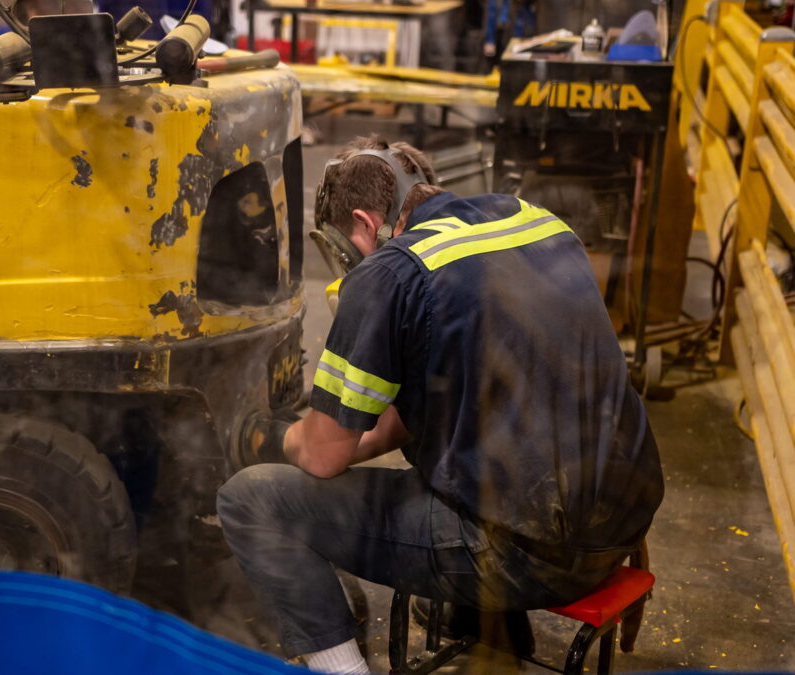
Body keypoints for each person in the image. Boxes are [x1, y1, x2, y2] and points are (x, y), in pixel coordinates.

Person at [216, 136, 664, 675]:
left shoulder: (389, 274)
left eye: (344, 246)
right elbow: (452, 397)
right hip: (621, 525)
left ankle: (343, 669)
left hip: (527, 557)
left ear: (363, 221)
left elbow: (321, 458)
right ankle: (489, 627)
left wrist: (269, 437)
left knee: (250, 500)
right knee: (461, 451)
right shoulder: (532, 221)